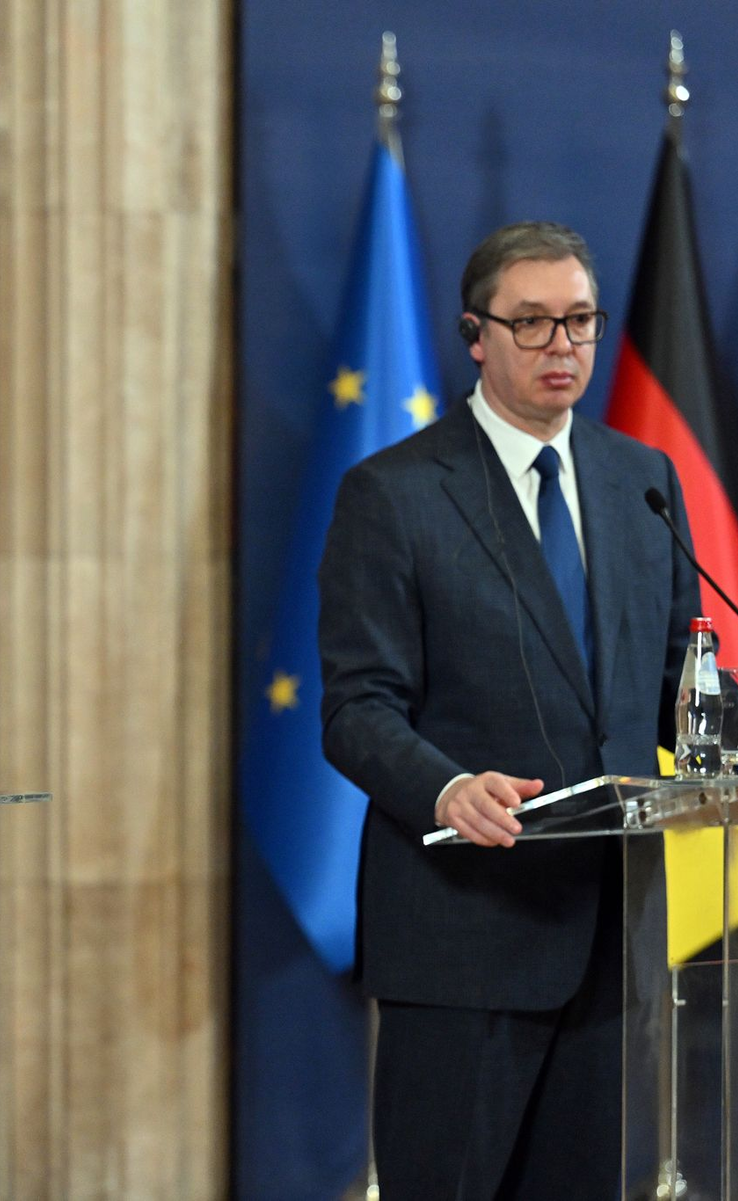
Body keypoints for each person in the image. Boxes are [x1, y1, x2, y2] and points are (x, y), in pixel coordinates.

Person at [318, 222, 699, 1199]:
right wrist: (443, 787)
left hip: (608, 936)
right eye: (530, 323)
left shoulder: (642, 481)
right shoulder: (394, 493)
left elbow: (676, 686)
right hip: (461, 938)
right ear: (475, 334)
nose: (561, 345)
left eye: (578, 320)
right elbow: (357, 706)